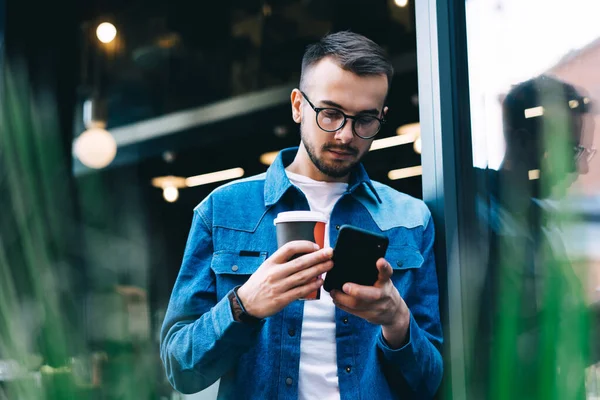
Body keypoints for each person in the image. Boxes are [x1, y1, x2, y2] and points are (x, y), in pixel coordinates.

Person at [160, 31, 443, 399]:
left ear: (382, 117)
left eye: (365, 121)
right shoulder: (223, 209)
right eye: (330, 113)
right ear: (298, 105)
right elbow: (180, 370)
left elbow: (429, 383)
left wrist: (397, 321)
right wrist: (244, 304)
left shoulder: (410, 218)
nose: (345, 135)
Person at [473, 75, 596, 399]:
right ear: (526, 143)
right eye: (572, 150)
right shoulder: (481, 220)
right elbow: (499, 350)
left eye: (586, 151)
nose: (582, 167)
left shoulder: (536, 220)